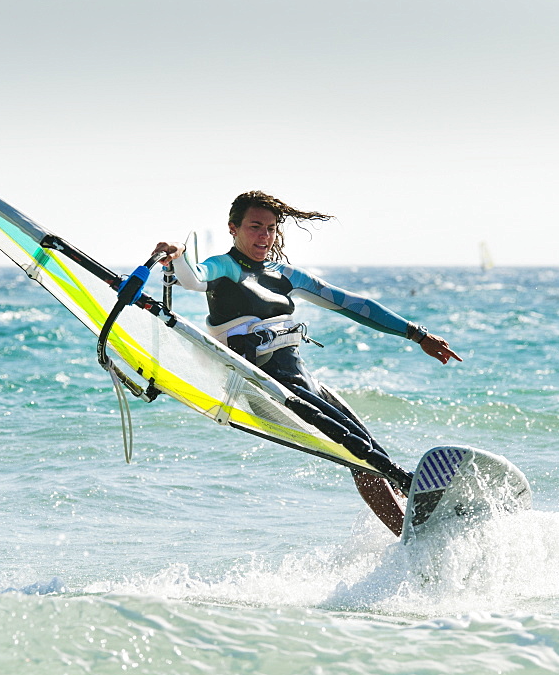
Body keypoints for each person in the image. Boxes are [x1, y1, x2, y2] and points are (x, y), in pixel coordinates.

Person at [151, 191, 461, 536]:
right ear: (233, 228)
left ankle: (408, 533)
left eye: (270, 228)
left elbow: (354, 304)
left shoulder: (286, 275)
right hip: (267, 385)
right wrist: (178, 253)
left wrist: (417, 334)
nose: (264, 236)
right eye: (255, 227)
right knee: (356, 449)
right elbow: (194, 277)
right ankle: (412, 490)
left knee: (365, 449)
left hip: (301, 381)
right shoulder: (223, 268)